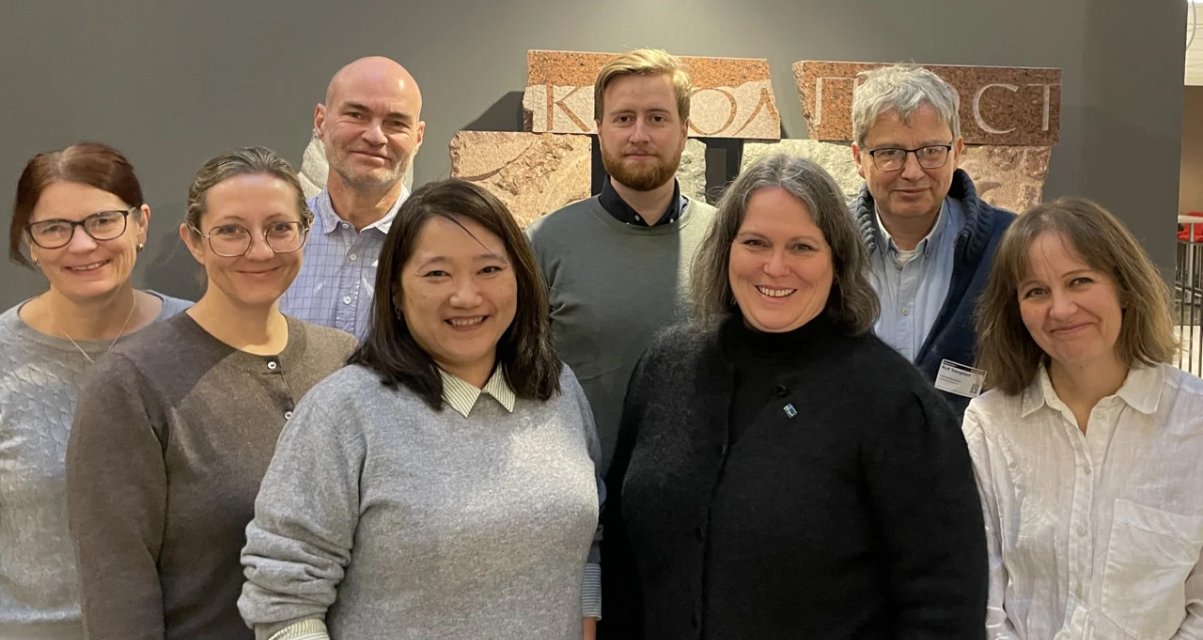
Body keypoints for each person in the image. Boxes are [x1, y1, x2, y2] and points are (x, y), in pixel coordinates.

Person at [601, 153, 987, 639]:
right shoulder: (665, 367)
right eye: (755, 243)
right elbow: (623, 560)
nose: (775, 267)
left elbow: (944, 606)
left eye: (802, 247)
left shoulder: (894, 402)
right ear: (725, 250)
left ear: (837, 261)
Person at [239, 179, 603, 640]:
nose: (466, 296)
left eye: (489, 269)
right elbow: (283, 598)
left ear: (521, 278)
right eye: (437, 274)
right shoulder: (343, 412)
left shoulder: (558, 390)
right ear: (395, 291)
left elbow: (588, 539)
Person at [66, 147, 356, 640]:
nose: (259, 250)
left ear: (305, 233)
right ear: (194, 242)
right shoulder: (131, 384)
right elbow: (118, 592)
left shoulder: (342, 359)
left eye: (280, 228)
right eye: (231, 231)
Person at [964, 197, 1203, 638]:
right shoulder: (989, 425)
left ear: (1124, 288)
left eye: (1080, 281)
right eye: (1036, 291)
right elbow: (984, 597)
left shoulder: (1195, 423)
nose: (1060, 309)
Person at [0, 142, 190, 639]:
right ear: (29, 242)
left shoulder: (200, 341)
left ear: (141, 225)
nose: (82, 245)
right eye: (54, 228)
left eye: (104, 221)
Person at [527, 48, 717, 471]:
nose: (639, 135)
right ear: (600, 129)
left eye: (657, 118)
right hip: (579, 489)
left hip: (700, 492)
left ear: (684, 131)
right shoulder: (542, 243)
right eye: (624, 118)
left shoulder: (728, 240)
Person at [850, 64, 1015, 415]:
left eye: (931, 151)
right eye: (889, 152)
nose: (912, 172)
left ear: (957, 152)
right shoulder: (822, 247)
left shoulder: (1009, 246)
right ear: (858, 159)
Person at [280, 55, 425, 340]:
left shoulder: (442, 246)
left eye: (396, 123)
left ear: (418, 137)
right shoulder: (275, 242)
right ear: (321, 121)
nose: (375, 136)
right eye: (356, 115)